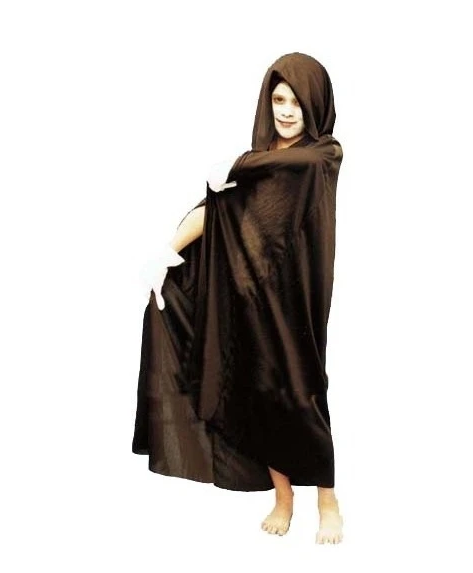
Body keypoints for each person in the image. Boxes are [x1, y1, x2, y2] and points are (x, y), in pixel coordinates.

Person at [134, 52, 344, 544]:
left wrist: (238, 165)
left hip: (298, 301)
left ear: (315, 104)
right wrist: (165, 254)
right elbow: (217, 211)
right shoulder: (262, 158)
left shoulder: (322, 154)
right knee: (259, 391)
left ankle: (328, 500)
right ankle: (283, 497)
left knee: (303, 391)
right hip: (251, 296)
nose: (286, 111)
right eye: (279, 100)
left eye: (297, 102)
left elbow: (298, 163)